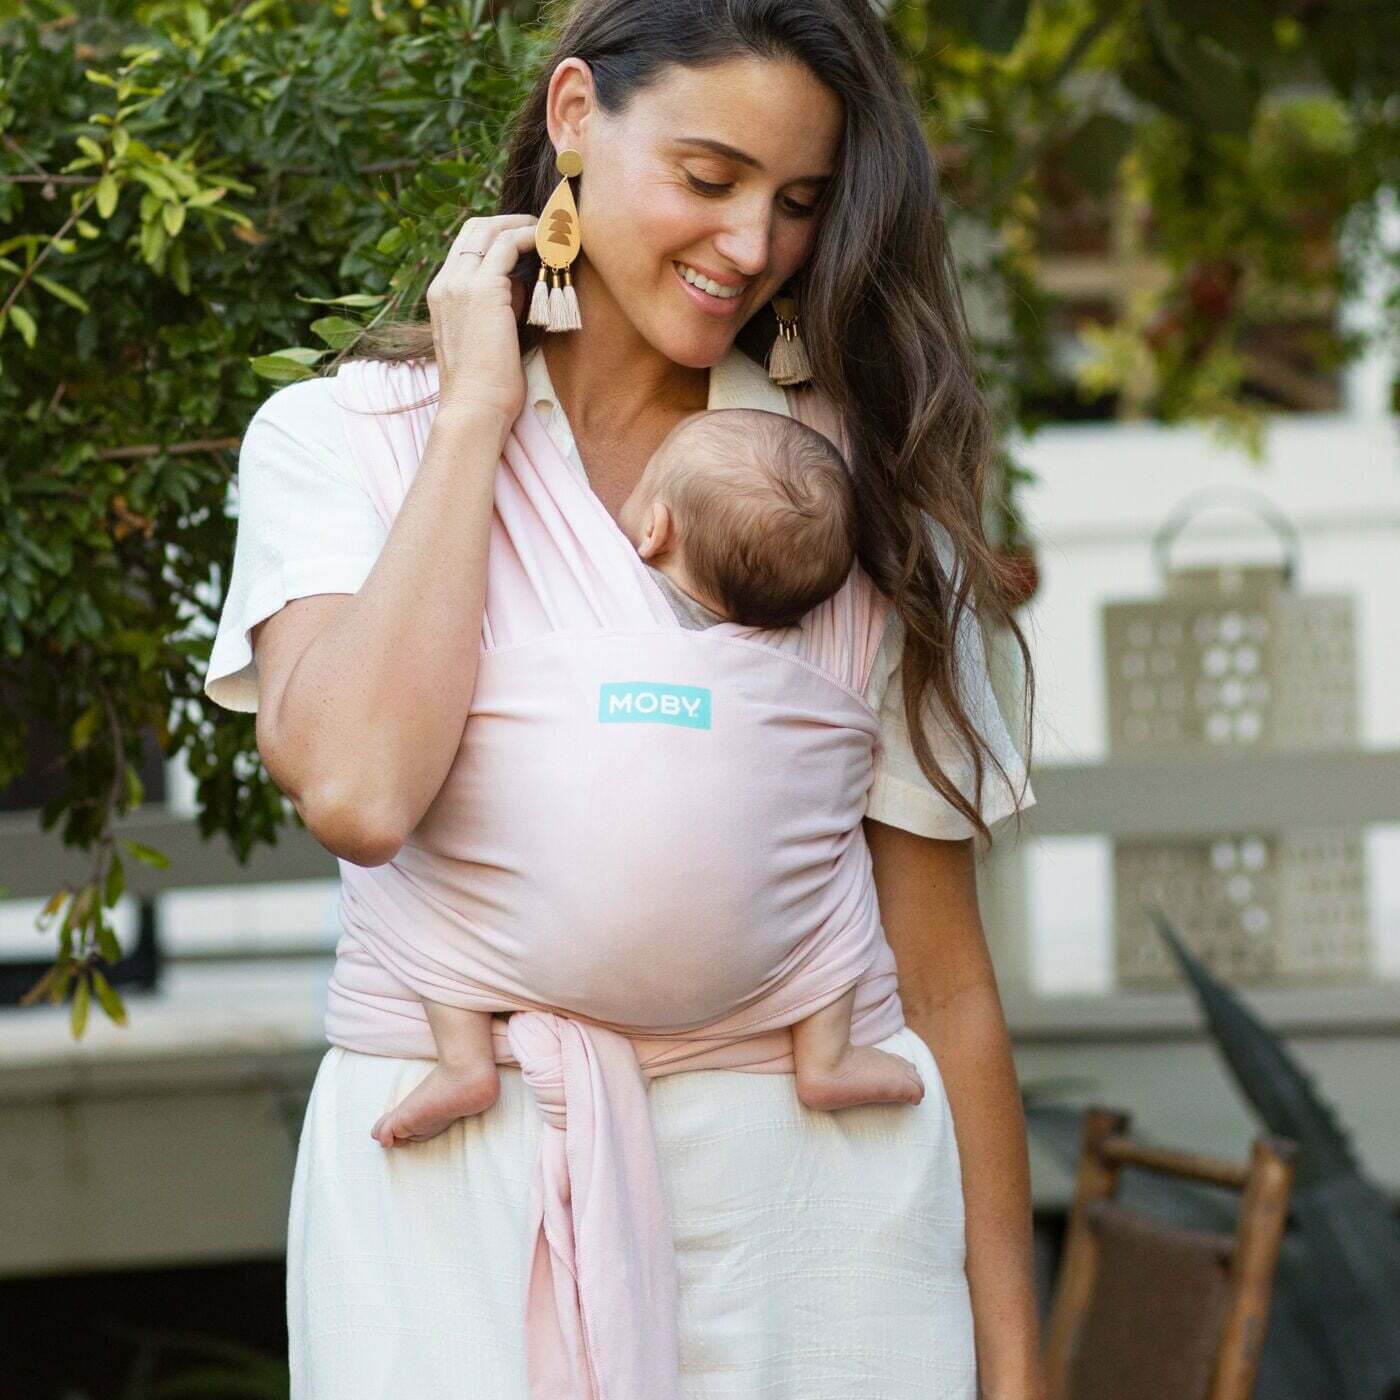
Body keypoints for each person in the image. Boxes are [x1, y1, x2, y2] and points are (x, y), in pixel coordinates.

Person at [202, 2, 1043, 1395]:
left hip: (814, 1238)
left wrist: (1016, 1370)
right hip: (454, 1211)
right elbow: (356, 790)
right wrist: (473, 416)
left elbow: (945, 982)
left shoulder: (857, 501)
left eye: (798, 203)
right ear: (576, 116)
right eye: (708, 179)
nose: (751, 245)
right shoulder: (345, 442)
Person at [367, 406, 924, 1152]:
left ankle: (464, 1061)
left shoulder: (579, 613)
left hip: (532, 954)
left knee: (432, 880)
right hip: (754, 969)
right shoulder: (809, 664)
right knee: (836, 886)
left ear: (656, 531)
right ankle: (826, 1057)